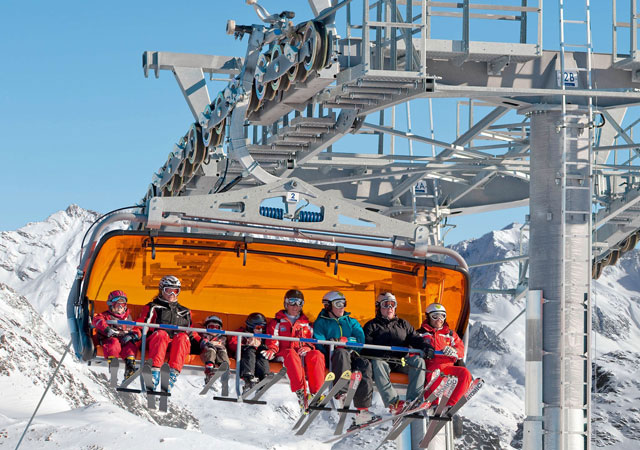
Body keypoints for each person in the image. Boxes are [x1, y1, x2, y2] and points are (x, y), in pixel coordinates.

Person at [313, 290, 379, 428]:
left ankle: (362, 410)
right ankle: (341, 394)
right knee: (341, 354)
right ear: (328, 306)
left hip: (352, 354)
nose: (342, 307)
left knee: (364, 363)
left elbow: (360, 339)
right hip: (332, 355)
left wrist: (343, 340)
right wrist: (332, 344)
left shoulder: (351, 322)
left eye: (343, 303)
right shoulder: (321, 322)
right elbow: (319, 340)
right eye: (338, 304)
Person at [363, 292, 435, 414]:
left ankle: (413, 401)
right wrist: (381, 354)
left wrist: (426, 347)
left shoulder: (403, 324)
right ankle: (393, 402)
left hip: (401, 361)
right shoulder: (372, 326)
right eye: (386, 304)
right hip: (383, 361)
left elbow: (415, 339)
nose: (390, 308)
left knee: (418, 361)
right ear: (378, 307)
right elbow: (367, 347)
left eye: (393, 304)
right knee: (377, 363)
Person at [263, 289, 325, 410]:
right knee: (291, 353)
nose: (295, 306)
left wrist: (308, 347)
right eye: (292, 302)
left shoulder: (306, 324)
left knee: (317, 354)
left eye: (299, 303)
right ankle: (301, 392)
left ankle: (317, 393)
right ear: (286, 303)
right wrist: (272, 349)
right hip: (285, 353)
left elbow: (311, 341)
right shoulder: (277, 322)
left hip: (301, 354)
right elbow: (273, 339)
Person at [137, 275, 195, 392]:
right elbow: (141, 325)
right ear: (161, 290)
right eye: (168, 290)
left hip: (177, 344)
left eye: (175, 291)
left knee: (182, 337)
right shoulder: (153, 307)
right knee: (162, 334)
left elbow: (192, 333)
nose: (172, 294)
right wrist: (134, 338)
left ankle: (171, 376)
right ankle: (154, 374)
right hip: (157, 342)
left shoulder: (184, 312)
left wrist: (203, 344)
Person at [417, 303, 472, 410]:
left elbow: (460, 350)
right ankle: (433, 403)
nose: (439, 319)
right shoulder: (421, 334)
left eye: (442, 316)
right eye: (435, 316)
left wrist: (453, 351)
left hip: (448, 366)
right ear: (428, 317)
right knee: (435, 374)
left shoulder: (450, 334)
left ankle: (450, 405)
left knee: (465, 374)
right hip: (430, 366)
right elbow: (413, 348)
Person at [92, 290, 140, 380]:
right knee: (113, 343)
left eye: (123, 305)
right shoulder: (106, 315)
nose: (120, 307)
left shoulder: (128, 318)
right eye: (117, 305)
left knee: (130, 346)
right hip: (110, 338)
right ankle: (113, 364)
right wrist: (107, 329)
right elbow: (97, 320)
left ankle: (130, 367)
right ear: (111, 305)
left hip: (124, 340)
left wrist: (133, 335)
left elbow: (136, 329)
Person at [228, 312, 270, 391]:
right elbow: (232, 343)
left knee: (263, 352)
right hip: (245, 356)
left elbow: (272, 345)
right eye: (258, 327)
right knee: (250, 350)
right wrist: (245, 344)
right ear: (250, 327)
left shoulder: (265, 337)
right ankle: (248, 377)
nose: (261, 330)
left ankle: (264, 377)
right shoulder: (242, 334)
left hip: (258, 358)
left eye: (263, 327)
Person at [196, 315, 230, 384]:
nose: (214, 329)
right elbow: (201, 342)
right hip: (206, 354)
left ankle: (224, 368)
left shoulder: (222, 337)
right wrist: (209, 343)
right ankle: (209, 369)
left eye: (217, 327)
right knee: (211, 349)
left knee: (222, 350)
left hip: (218, 355)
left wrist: (220, 344)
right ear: (206, 327)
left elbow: (224, 344)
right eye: (211, 327)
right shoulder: (204, 335)